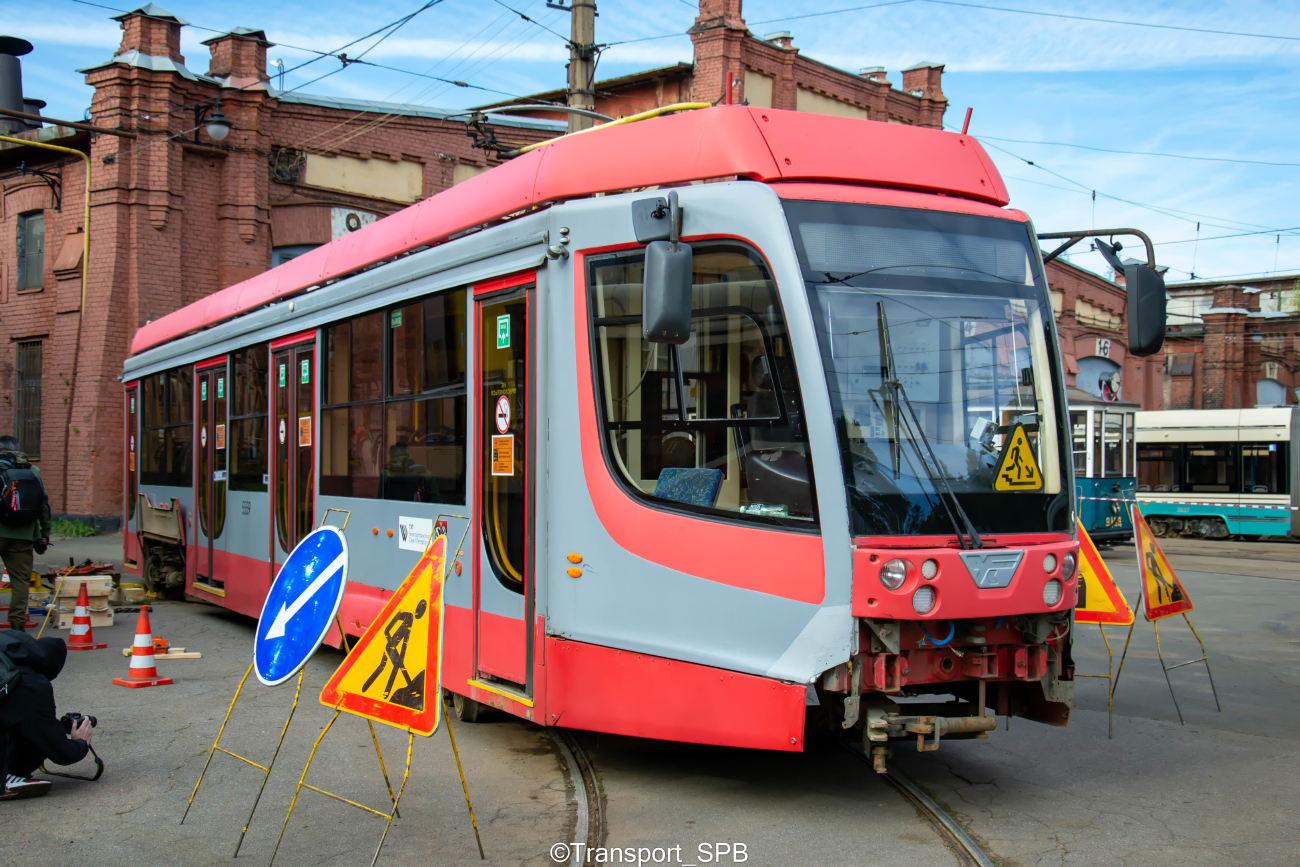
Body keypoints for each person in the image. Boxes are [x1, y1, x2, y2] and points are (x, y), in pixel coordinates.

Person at [0, 631, 91, 800]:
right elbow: (61, 753)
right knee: (35, 738)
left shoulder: (6, 654)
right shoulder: (28, 682)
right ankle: (5, 779)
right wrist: (81, 743)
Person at [0, 435, 52, 632]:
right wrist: (44, 533)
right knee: (20, 580)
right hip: (23, 533)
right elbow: (43, 504)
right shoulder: (32, 470)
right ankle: (17, 624)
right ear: (17, 449)